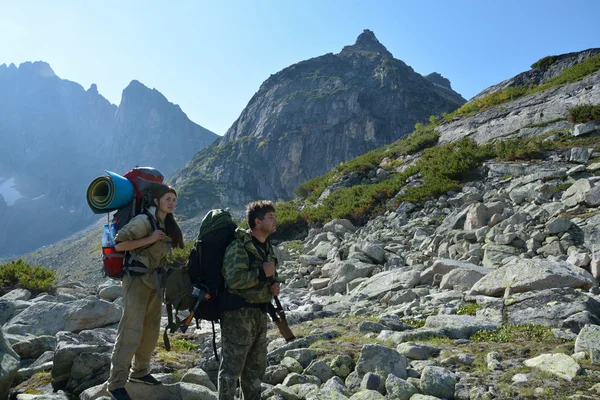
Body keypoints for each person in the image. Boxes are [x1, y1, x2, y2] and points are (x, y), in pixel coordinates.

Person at [106, 184, 184, 400]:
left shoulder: (166, 223)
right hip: (137, 280)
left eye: (174, 200)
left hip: (155, 281)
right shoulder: (143, 220)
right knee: (130, 330)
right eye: (167, 198)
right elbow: (119, 245)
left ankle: (140, 372)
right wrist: (149, 239)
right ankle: (116, 384)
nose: (171, 203)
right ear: (156, 201)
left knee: (150, 331)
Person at [218, 200, 280, 400]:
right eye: (270, 217)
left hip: (260, 313)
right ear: (257, 221)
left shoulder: (266, 246)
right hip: (238, 315)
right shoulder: (239, 247)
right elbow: (234, 280)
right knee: (231, 370)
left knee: (255, 370)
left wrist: (274, 284)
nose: (275, 221)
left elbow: (270, 273)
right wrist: (262, 275)